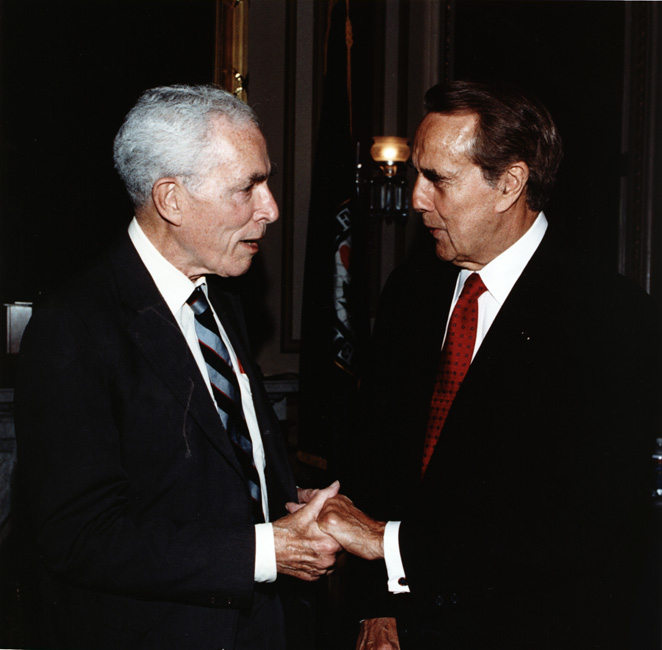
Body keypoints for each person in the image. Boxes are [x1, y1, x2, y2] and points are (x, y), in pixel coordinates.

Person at [317, 80, 660, 649]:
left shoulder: (611, 318)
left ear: (510, 184)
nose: (417, 199)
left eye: (438, 179)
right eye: (417, 175)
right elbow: (376, 467)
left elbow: (579, 527)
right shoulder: (410, 291)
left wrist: (388, 545)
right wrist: (377, 609)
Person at [14, 84, 341, 650]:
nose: (271, 209)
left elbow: (211, 468)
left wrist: (288, 500)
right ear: (171, 199)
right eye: (247, 187)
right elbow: (79, 536)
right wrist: (267, 550)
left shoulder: (221, 297)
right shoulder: (76, 325)